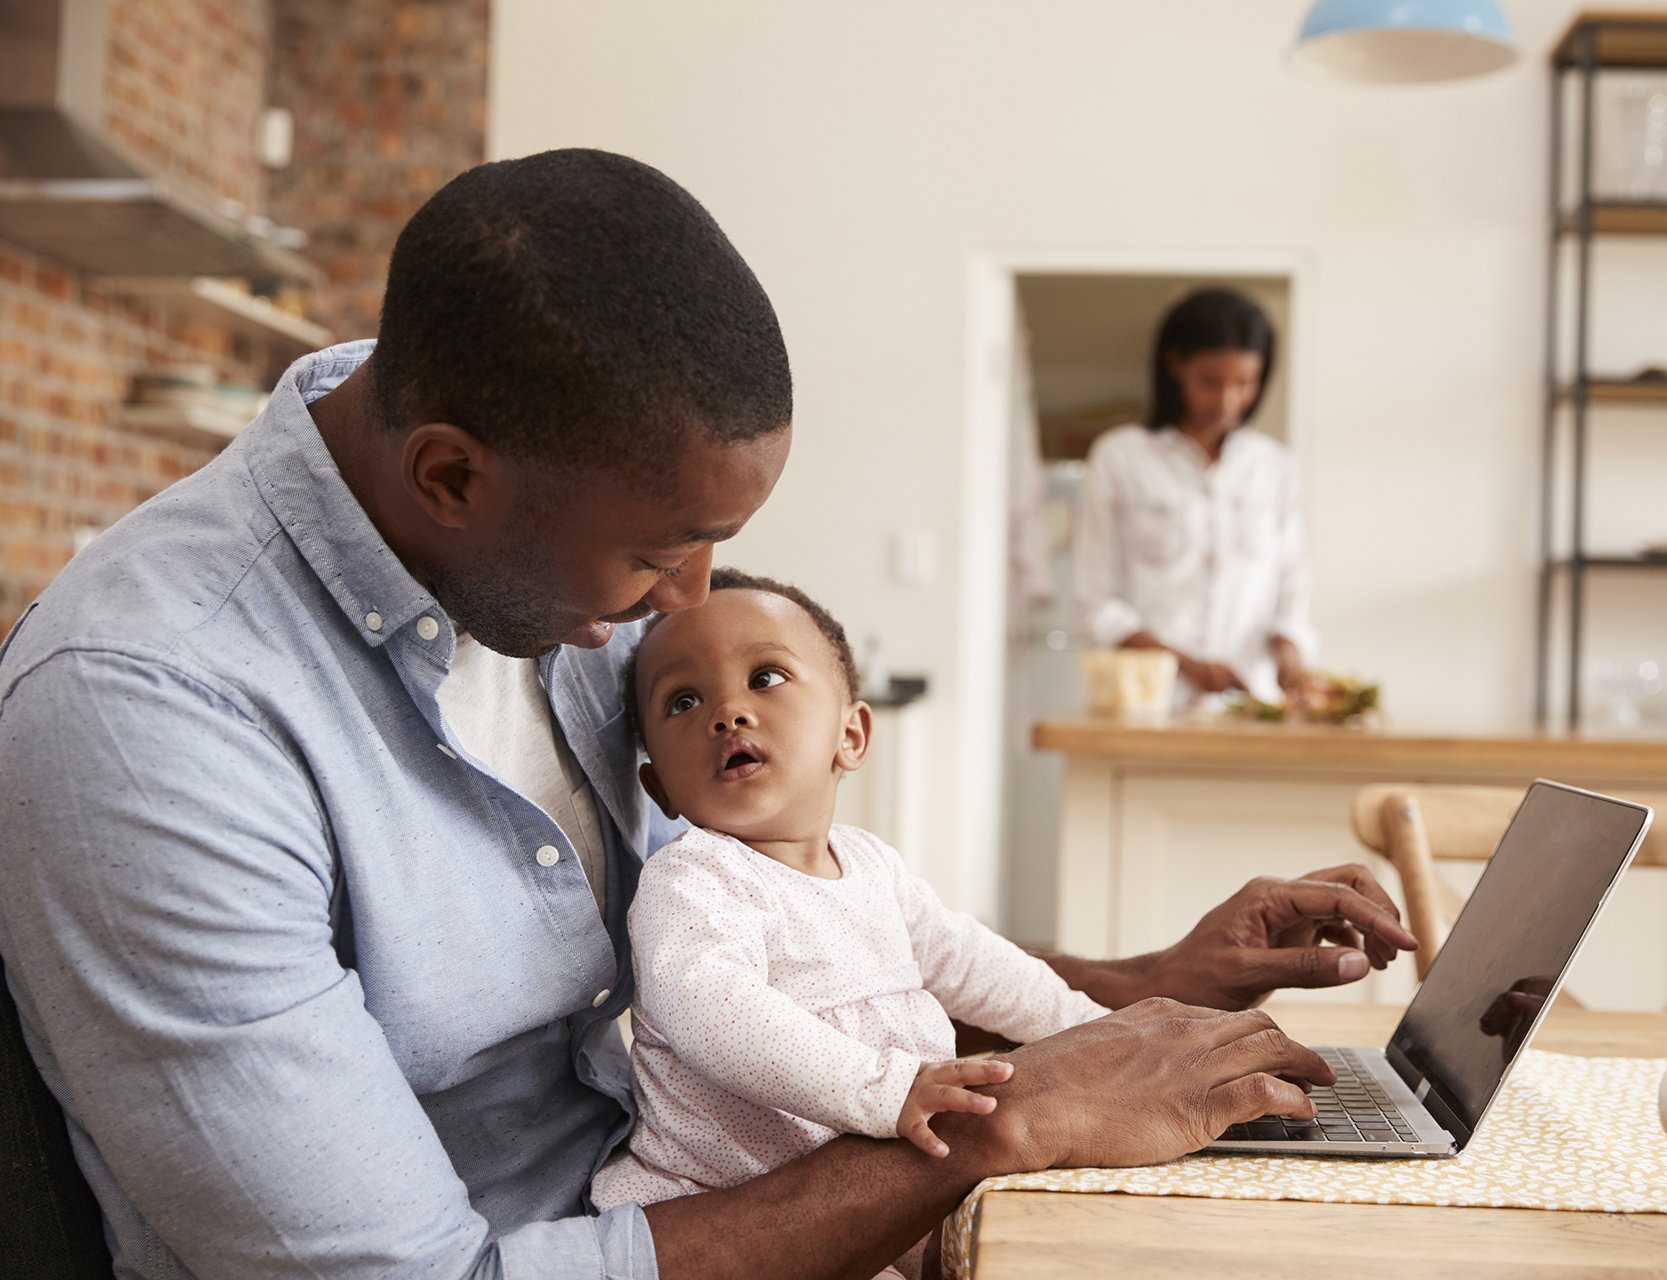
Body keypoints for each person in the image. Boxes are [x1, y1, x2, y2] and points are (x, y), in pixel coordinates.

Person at [0, 149, 1415, 1280]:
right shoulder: (150, 718)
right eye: (662, 549)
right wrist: (1016, 1117)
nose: (695, 597)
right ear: (447, 478)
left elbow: (789, 958)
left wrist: (1142, 983)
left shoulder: (530, 540)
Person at [593, 570, 1118, 1277]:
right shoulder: (693, 880)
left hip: (868, 1189)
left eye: (766, 677)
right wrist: (885, 1086)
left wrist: (1097, 1031)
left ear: (851, 734)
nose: (727, 711)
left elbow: (976, 964)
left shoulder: (872, 866)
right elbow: (712, 1009)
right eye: (683, 700)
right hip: (730, 1213)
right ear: (660, 789)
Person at [1072, 286, 1315, 704]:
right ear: (1174, 363)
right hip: (1147, 707)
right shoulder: (1120, 458)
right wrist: (1187, 666)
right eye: (1210, 382)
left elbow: (1291, 594)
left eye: (1245, 383)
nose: (1227, 401)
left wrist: (1292, 668)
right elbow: (1095, 604)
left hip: (1251, 710)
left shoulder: (1274, 468)